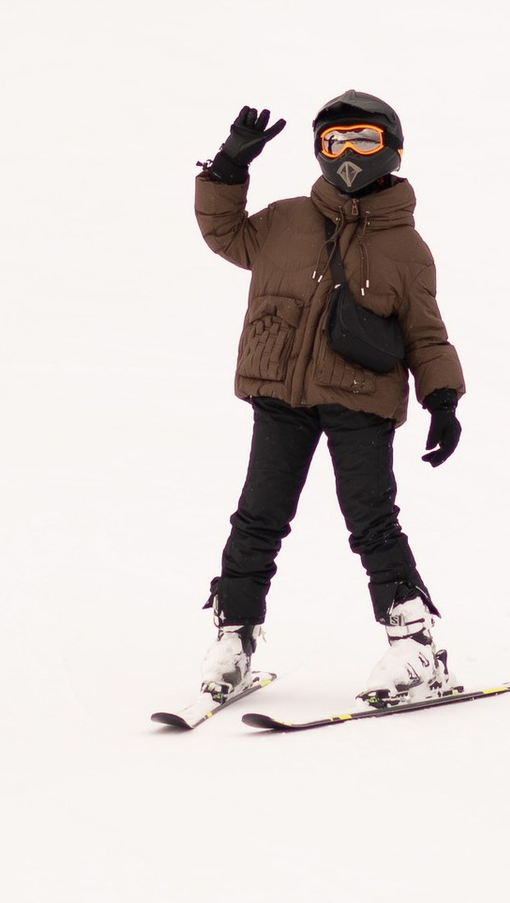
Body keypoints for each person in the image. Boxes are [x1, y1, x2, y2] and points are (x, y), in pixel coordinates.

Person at [194, 90, 465, 706]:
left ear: (392, 151)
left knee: (371, 521)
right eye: (333, 142)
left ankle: (414, 645)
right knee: (258, 517)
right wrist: (229, 168)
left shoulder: (405, 248)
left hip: (359, 398)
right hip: (280, 393)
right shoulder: (285, 220)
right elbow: (223, 231)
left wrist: (442, 397)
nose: (347, 154)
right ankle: (233, 637)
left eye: (363, 141)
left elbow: (426, 332)